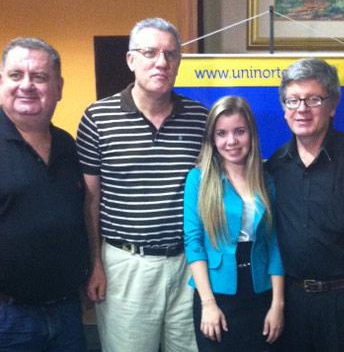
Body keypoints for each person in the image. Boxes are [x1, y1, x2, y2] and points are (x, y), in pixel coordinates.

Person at [76, 18, 208, 352]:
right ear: (130, 59)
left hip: (188, 267)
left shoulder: (200, 119)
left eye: (170, 54)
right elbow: (91, 202)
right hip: (126, 266)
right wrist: (95, 265)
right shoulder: (97, 118)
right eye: (149, 52)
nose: (161, 62)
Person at [266, 58, 344, 352]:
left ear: (333, 105)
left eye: (313, 99)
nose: (301, 109)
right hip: (289, 306)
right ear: (283, 108)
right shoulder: (274, 165)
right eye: (292, 100)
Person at [0, 37, 89, 351]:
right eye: (15, 75)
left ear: (59, 87)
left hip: (66, 310)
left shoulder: (68, 144)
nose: (27, 85)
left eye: (39, 77)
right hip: (9, 317)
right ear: (1, 82)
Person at [183, 96, 284, 351]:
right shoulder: (199, 179)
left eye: (239, 131)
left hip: (261, 294)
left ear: (251, 133)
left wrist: (277, 305)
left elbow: (274, 244)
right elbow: (193, 243)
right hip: (217, 296)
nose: (231, 141)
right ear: (212, 139)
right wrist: (208, 304)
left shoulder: (266, 180)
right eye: (221, 133)